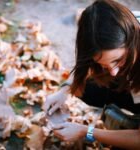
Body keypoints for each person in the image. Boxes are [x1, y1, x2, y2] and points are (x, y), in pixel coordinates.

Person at [43, 0, 140, 149]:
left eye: (118, 60)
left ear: (133, 39)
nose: (113, 72)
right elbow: (87, 66)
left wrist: (86, 132)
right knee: (87, 89)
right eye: (103, 64)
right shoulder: (119, 25)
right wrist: (65, 90)